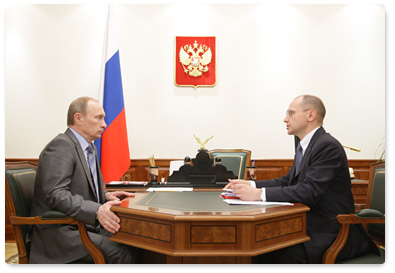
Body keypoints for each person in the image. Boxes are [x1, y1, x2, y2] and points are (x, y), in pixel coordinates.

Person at [225, 94, 380, 263]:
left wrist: (258, 194)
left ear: (310, 115)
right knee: (257, 246)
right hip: (306, 225)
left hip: (332, 233)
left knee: (264, 251)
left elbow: (309, 191)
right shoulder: (305, 145)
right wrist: (250, 183)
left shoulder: (327, 146)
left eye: (290, 113)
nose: (285, 119)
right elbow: (287, 181)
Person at [28, 97, 140, 263]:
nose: (104, 124)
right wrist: (96, 210)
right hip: (59, 233)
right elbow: (55, 194)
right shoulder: (61, 145)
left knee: (137, 242)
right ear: (78, 118)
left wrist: (105, 196)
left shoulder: (89, 147)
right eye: (98, 118)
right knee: (122, 251)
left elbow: (79, 188)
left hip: (80, 224)